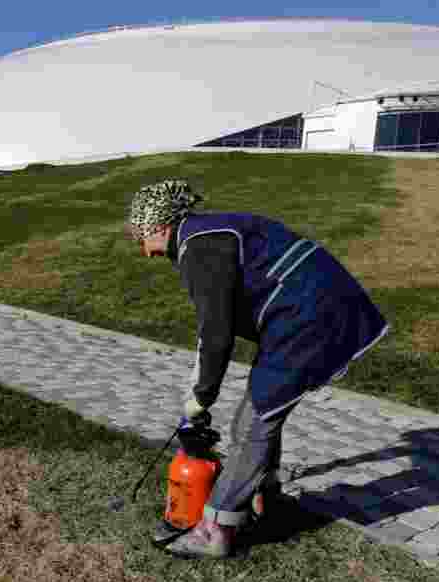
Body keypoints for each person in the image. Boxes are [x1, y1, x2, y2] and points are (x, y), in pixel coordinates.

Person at [127, 179, 390, 559]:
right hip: (308, 310)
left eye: (142, 238)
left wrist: (198, 400)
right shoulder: (210, 232)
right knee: (264, 410)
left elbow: (214, 336)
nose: (144, 251)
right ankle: (264, 496)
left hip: (308, 316)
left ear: (161, 226)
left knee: (252, 423)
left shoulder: (198, 248)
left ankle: (215, 531)